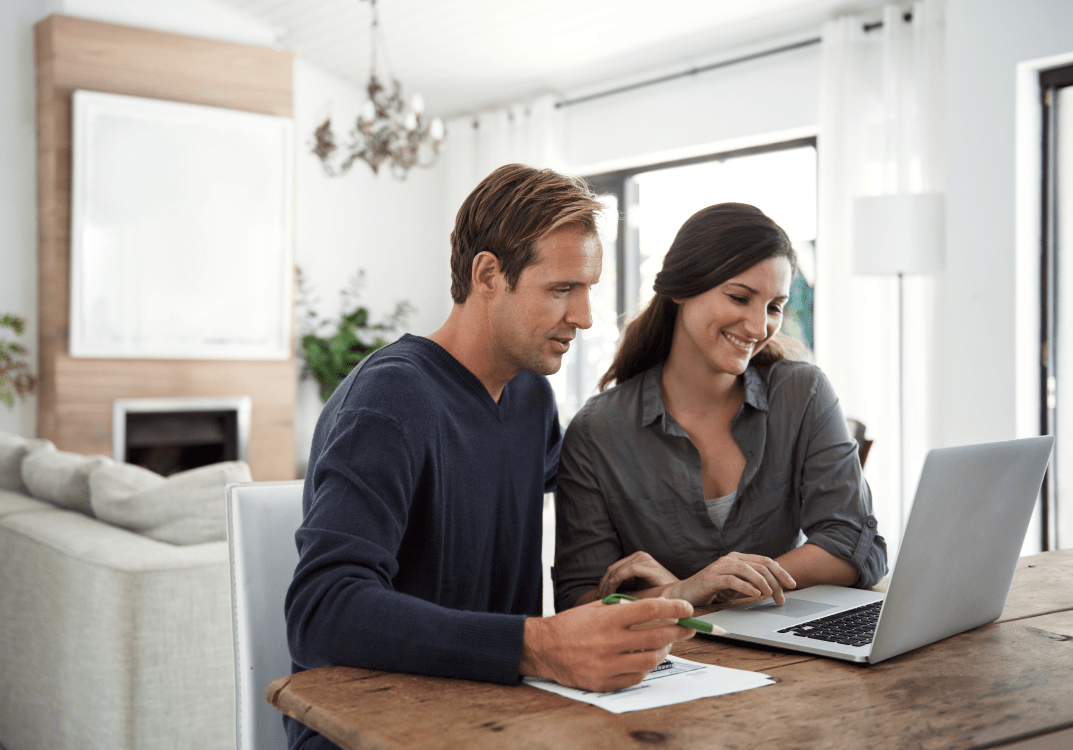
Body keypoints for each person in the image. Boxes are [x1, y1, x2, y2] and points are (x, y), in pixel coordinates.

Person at [286, 164, 697, 750]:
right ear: (488, 274)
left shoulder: (531, 396)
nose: (582, 315)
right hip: (373, 730)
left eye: (587, 290)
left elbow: (593, 492)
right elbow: (321, 611)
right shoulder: (390, 401)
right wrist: (542, 645)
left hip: (500, 718)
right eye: (561, 289)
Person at [553, 202, 887, 614]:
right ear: (680, 287)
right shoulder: (598, 431)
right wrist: (684, 592)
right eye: (740, 297)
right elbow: (579, 602)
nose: (757, 325)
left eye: (774, 306)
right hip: (669, 664)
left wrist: (721, 588)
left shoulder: (802, 393)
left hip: (787, 651)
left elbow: (855, 548)